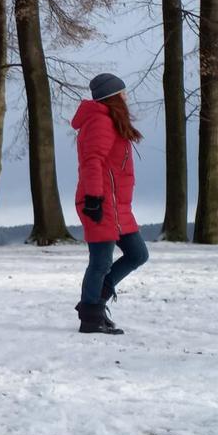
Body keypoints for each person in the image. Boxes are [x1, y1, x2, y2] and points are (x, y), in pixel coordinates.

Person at [73, 73, 148, 336]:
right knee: (100, 262)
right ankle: (91, 317)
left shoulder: (111, 121)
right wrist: (94, 198)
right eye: (123, 92)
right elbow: (91, 160)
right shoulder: (100, 121)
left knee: (138, 254)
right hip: (101, 203)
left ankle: (96, 299)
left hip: (118, 207)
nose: (126, 96)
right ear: (113, 97)